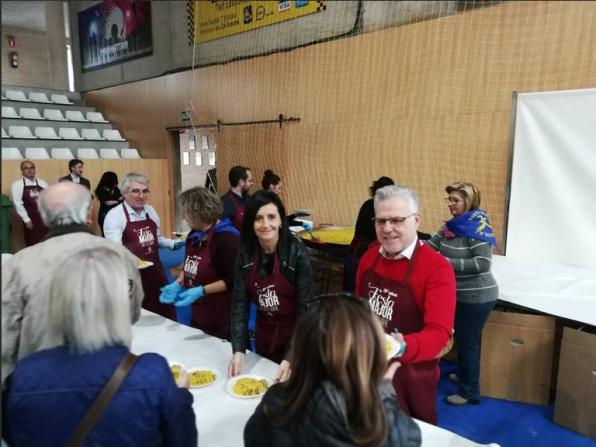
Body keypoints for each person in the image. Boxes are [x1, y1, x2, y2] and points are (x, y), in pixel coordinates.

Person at [2, 247, 197, 446]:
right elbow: (183, 441)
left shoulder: (22, 378)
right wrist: (180, 398)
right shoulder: (151, 373)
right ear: (119, 302)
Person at [1, 182, 143, 384]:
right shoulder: (120, 256)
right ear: (89, 213)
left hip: (40, 387)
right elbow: (132, 314)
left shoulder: (17, 265)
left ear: (43, 216)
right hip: (108, 382)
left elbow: (5, 341)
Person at [244, 293, 422, 447]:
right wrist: (384, 399)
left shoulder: (275, 400)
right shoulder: (381, 427)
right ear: (367, 360)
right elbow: (411, 438)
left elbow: (252, 437)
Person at [355, 185, 456, 425]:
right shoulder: (368, 258)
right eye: (381, 221)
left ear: (416, 220)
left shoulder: (437, 268)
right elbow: (358, 311)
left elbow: (440, 334)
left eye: (397, 220)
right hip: (369, 368)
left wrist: (400, 347)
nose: (387, 229)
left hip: (413, 377)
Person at [228, 190, 314, 382]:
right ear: (251, 223)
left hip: (296, 335)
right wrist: (239, 349)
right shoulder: (245, 254)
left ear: (281, 221)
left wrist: (292, 356)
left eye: (271, 217)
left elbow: (305, 311)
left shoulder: (297, 253)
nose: (266, 224)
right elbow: (239, 303)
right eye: (258, 218)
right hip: (264, 332)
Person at [426, 181, 498, 406]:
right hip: (459, 294)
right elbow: (429, 246)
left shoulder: (478, 228)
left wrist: (443, 262)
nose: (450, 204)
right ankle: (467, 374)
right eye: (449, 199)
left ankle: (469, 391)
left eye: (455, 200)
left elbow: (482, 264)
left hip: (477, 297)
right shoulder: (451, 226)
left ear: (468, 202)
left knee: (467, 343)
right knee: (463, 339)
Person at [160, 187, 240, 339]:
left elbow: (234, 280)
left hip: (222, 316)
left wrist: (202, 290)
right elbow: (191, 264)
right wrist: (177, 283)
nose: (184, 218)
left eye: (187, 213)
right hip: (199, 311)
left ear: (200, 212)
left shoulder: (227, 239)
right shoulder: (194, 234)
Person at [104, 172, 184, 320]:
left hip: (155, 272)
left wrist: (174, 244)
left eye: (145, 191)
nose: (141, 195)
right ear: (124, 193)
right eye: (135, 191)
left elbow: (157, 238)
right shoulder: (114, 216)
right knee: (137, 320)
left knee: (166, 314)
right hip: (130, 277)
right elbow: (115, 249)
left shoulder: (151, 211)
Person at [10, 160, 48, 246]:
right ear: (22, 171)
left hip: (45, 217)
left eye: (31, 168)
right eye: (26, 168)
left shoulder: (43, 183)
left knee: (46, 242)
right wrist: (26, 219)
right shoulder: (17, 185)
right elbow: (17, 203)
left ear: (35, 169)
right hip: (31, 218)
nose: (29, 170)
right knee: (33, 243)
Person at [220, 165, 253, 229]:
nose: (252, 183)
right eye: (249, 181)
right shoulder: (223, 203)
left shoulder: (251, 199)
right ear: (241, 182)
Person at [95, 171, 123, 237]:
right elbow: (108, 203)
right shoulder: (101, 189)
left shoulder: (115, 189)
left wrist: (117, 200)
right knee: (106, 235)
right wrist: (117, 200)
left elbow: (121, 197)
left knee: (117, 234)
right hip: (104, 215)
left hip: (116, 214)